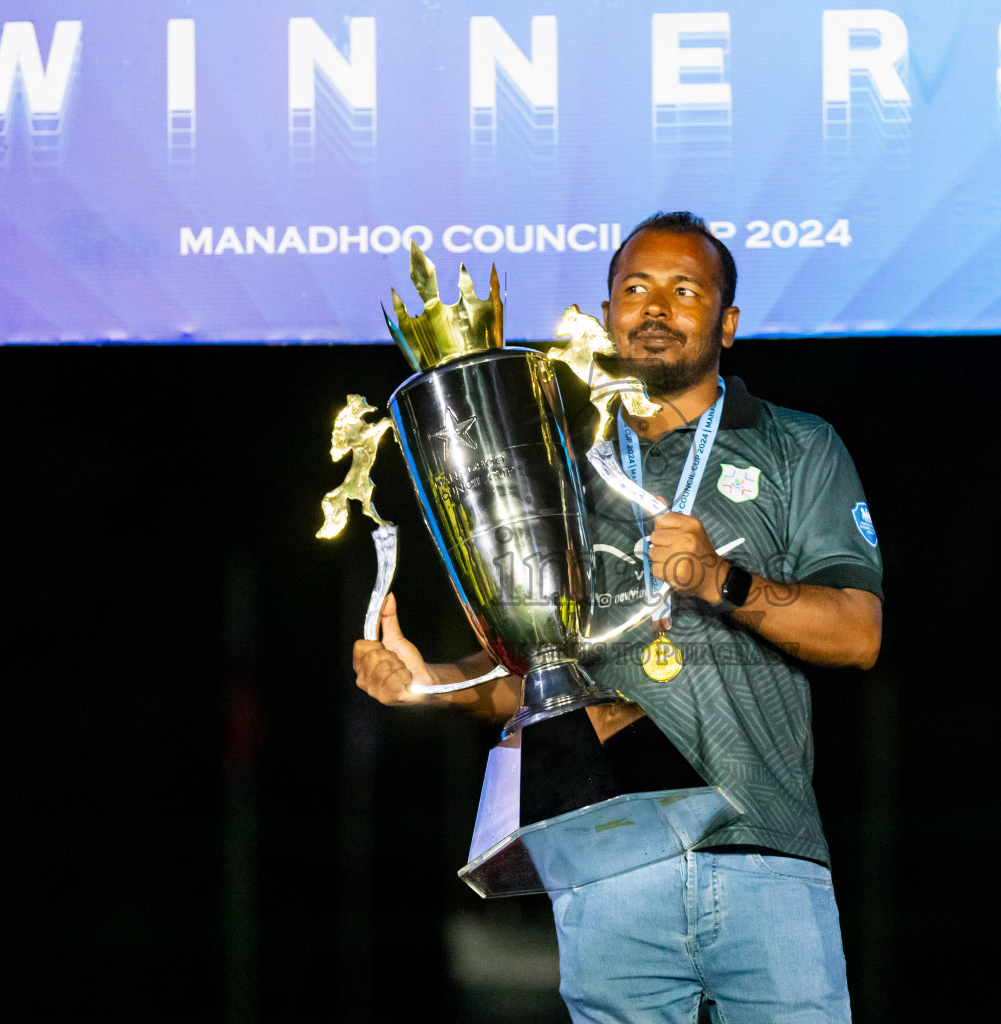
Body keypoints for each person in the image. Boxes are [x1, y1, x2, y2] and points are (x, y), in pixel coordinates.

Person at [354, 212, 883, 1023]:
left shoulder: (796, 447)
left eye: (685, 290)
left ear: (727, 322)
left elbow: (857, 633)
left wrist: (721, 581)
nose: (656, 308)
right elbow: (532, 681)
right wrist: (435, 684)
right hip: (611, 862)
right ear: (606, 317)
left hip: (769, 856)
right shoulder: (558, 468)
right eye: (634, 289)